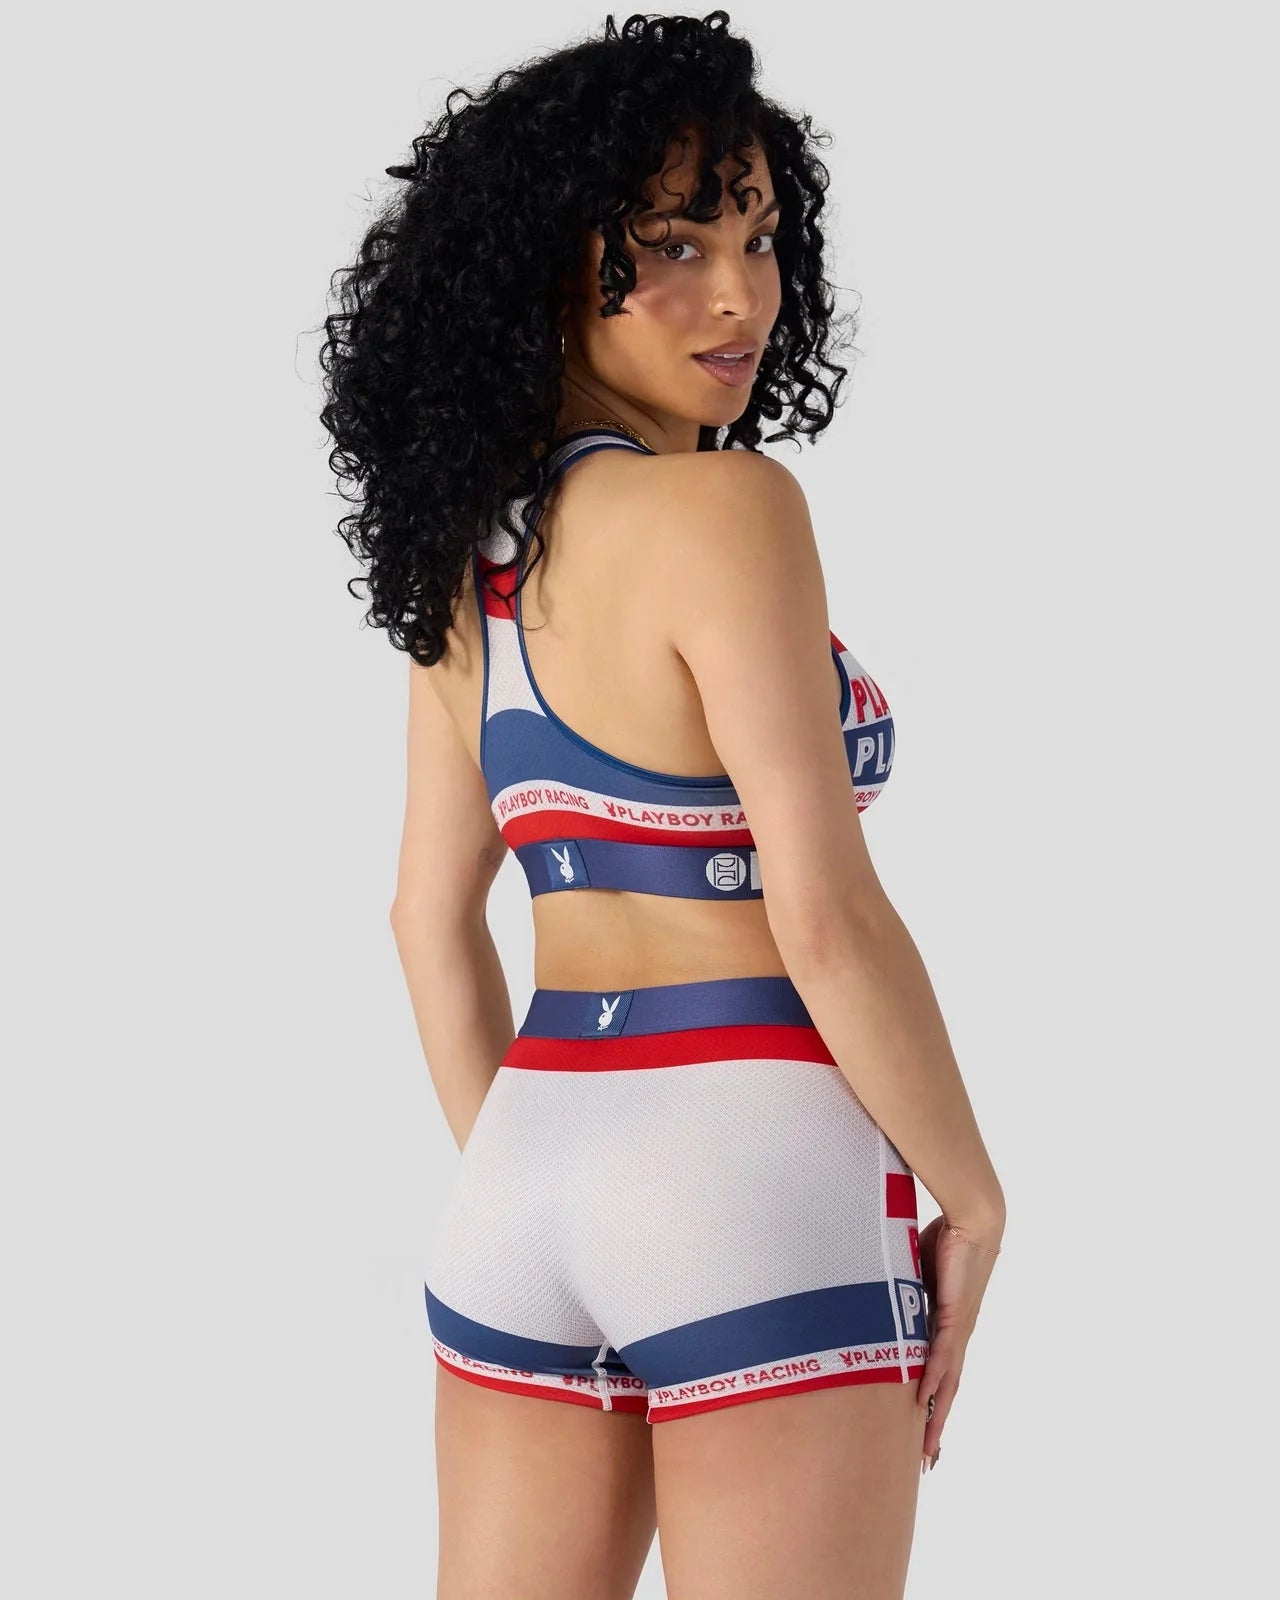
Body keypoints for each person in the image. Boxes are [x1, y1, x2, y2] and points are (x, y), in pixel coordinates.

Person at [318, 11, 1005, 1597]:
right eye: (676, 245)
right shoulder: (729, 508)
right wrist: (972, 1195)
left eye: (757, 239)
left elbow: (427, 920)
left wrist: (551, 1175)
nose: (740, 296)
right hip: (756, 1166)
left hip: (526, 1173)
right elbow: (826, 919)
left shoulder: (469, 564)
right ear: (548, 269)